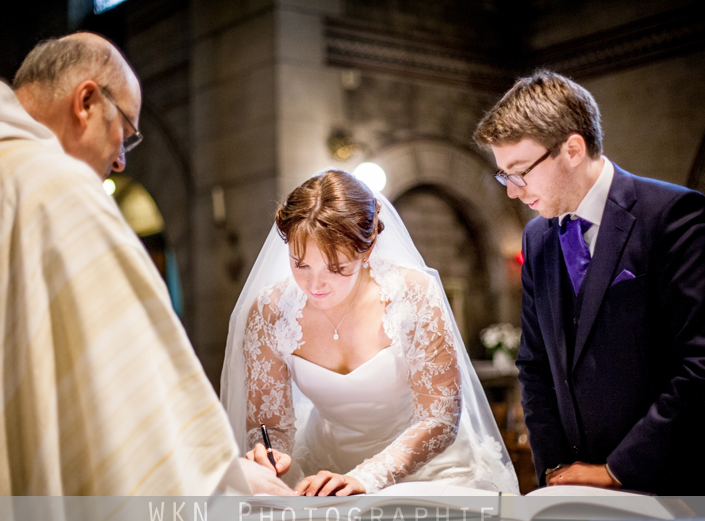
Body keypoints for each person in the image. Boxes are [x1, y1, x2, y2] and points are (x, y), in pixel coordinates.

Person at [0, 32, 289, 496]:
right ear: (85, 101)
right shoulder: (52, 186)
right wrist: (226, 478)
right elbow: (128, 382)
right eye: (125, 131)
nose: (121, 160)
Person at [473, 70, 705, 495]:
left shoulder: (672, 216)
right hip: (575, 487)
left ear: (572, 148)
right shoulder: (538, 238)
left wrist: (617, 470)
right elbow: (535, 367)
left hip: (674, 485)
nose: (513, 193)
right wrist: (557, 471)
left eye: (520, 172)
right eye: (505, 176)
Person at [221, 169, 519, 496]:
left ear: (368, 246)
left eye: (337, 268)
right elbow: (271, 426)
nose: (315, 284)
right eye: (300, 264)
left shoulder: (412, 294)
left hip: (428, 470)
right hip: (324, 469)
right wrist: (271, 455)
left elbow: (439, 417)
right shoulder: (271, 312)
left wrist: (369, 477)